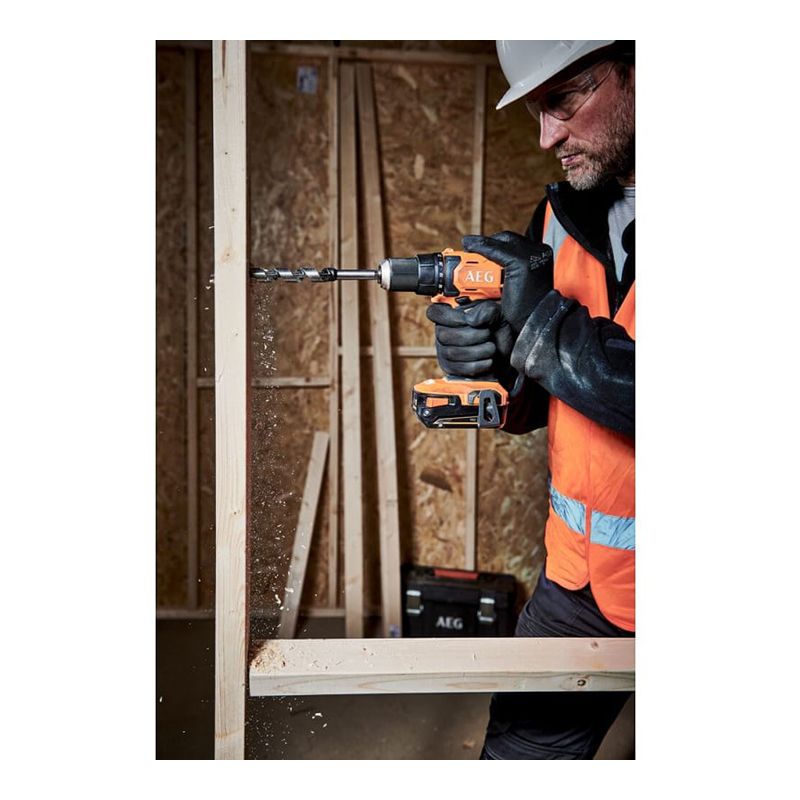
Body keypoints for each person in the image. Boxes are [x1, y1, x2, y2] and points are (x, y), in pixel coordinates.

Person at [427, 40, 636, 759]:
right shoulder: (557, 218)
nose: (547, 136)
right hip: (578, 581)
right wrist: (495, 367)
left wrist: (543, 327)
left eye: (566, 99)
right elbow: (552, 398)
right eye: (536, 109)